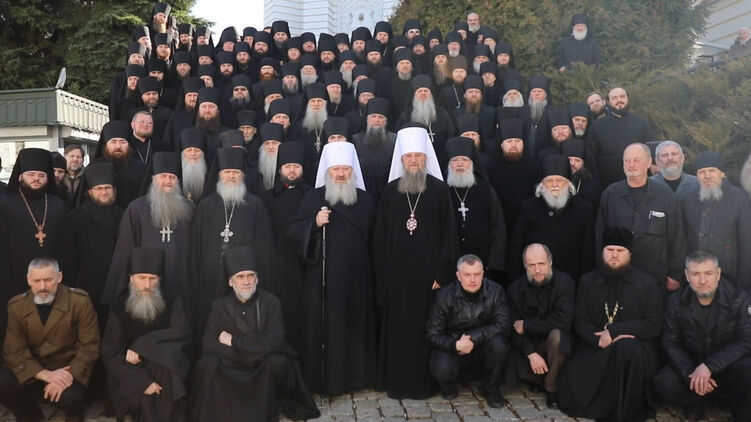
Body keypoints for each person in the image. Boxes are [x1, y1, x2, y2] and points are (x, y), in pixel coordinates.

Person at [374, 126, 459, 399]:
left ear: (426, 159)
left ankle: (425, 384)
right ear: (401, 159)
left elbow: (449, 235)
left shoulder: (440, 190)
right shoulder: (390, 191)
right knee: (399, 330)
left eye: (418, 156)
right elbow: (380, 237)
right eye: (409, 156)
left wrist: (442, 273)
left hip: (428, 279)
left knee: (425, 330)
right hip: (397, 277)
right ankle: (397, 384)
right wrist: (383, 276)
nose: (413, 161)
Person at [189, 246, 320, 422]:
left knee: (278, 361)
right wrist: (249, 352)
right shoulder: (219, 306)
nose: (246, 282)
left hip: (262, 365)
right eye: (240, 277)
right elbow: (209, 343)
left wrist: (234, 342)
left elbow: (275, 340)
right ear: (230, 281)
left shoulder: (271, 303)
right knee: (207, 363)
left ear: (257, 279)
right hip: (235, 364)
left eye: (251, 276)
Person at [289, 142, 377, 395]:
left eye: (345, 169)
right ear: (327, 172)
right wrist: (314, 223)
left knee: (354, 326)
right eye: (336, 169)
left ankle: (355, 378)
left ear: (353, 171)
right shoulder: (313, 197)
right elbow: (292, 231)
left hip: (357, 278)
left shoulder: (366, 200)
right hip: (322, 277)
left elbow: (376, 239)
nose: (340, 174)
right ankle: (324, 379)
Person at [558, 227, 663, 422]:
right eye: (610, 250)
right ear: (602, 252)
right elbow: (580, 321)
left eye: (620, 251)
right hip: (596, 348)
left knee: (627, 348)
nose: (614, 255)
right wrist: (599, 339)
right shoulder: (587, 281)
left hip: (636, 353)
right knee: (569, 380)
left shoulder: (646, 284)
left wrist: (615, 332)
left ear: (629, 254)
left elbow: (653, 324)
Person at [189, 147, 274, 346]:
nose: (232, 176)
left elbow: (264, 248)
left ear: (243, 175)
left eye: (236, 172)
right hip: (210, 279)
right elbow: (196, 247)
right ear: (219, 175)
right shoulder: (206, 206)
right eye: (227, 172)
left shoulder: (255, 205)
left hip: (243, 281)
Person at [0, 257, 100, 422]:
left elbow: (89, 346)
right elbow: (14, 350)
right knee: (3, 380)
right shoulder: (16, 305)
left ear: (59, 277)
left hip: (66, 369)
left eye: (48, 280)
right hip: (34, 370)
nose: (42, 287)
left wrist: (66, 376)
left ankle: (73, 417)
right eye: (36, 281)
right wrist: (44, 374)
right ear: (28, 280)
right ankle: (31, 415)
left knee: (71, 398)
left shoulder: (79, 301)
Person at [655, 250, 751, 421]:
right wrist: (691, 374)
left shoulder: (739, 298)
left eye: (708, 273)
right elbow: (670, 342)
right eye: (695, 274)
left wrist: (709, 366)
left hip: (728, 368)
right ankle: (698, 398)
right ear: (687, 275)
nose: (703, 280)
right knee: (664, 382)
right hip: (693, 368)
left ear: (718, 273)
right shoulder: (676, 301)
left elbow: (746, 340)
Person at [101, 247, 192, 422]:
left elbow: (181, 332)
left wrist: (142, 346)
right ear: (131, 278)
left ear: (160, 279)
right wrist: (142, 382)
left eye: (152, 278)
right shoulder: (118, 305)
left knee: (168, 359)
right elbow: (110, 353)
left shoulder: (172, 300)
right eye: (141, 278)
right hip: (130, 369)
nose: (147, 285)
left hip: (163, 365)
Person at [102, 152, 194, 307]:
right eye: (163, 176)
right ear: (154, 180)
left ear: (178, 181)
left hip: (181, 280)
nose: (167, 181)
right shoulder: (136, 209)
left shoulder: (190, 209)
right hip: (146, 283)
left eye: (172, 177)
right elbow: (125, 249)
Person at [596, 143, 685, 295]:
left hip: (655, 276)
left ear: (649, 162)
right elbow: (600, 234)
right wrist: (601, 268)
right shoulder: (611, 194)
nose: (631, 165)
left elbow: (677, 236)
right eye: (627, 160)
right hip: (618, 273)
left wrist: (675, 272)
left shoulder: (665, 196)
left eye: (636, 160)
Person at [0, 148, 67, 347]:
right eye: (31, 174)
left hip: (51, 283)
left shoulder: (58, 205)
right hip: (14, 281)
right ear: (21, 176)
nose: (36, 179)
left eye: (41, 175)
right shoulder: (5, 205)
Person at [426, 254, 510, 407]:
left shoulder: (496, 291)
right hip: (454, 348)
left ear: (483, 274)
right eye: (467, 275)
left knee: (499, 345)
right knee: (441, 364)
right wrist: (455, 345)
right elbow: (432, 334)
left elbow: (504, 325)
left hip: (483, 345)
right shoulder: (444, 296)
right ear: (458, 276)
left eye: (477, 274)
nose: (473, 279)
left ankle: (491, 389)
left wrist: (472, 337)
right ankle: (449, 387)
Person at [506, 244, 575, 409]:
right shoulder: (514, 289)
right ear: (525, 266)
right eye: (531, 265)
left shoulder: (564, 283)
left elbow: (563, 321)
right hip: (530, 347)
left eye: (541, 264)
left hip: (556, 346)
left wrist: (526, 324)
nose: (537, 270)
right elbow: (512, 328)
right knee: (508, 360)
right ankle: (539, 378)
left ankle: (551, 388)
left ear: (550, 262)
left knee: (558, 337)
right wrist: (531, 354)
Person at [259, 142, 310, 353]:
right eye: (288, 166)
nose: (292, 170)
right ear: (280, 169)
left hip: (305, 266)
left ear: (303, 169)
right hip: (276, 265)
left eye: (296, 166)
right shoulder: (267, 197)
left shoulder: (312, 196)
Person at [510, 155, 594, 280]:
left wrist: (585, 282)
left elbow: (588, 250)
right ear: (542, 184)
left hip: (572, 279)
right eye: (549, 181)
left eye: (559, 181)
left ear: (568, 183)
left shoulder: (583, 209)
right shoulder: (529, 207)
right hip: (534, 279)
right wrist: (516, 279)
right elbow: (516, 245)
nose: (555, 185)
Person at [679, 152, 751, 288]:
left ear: (722, 173)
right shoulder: (686, 198)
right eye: (702, 172)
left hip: (730, 276)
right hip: (696, 277)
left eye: (712, 170)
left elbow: (747, 244)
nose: (707, 176)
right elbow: (680, 238)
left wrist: (744, 283)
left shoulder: (740, 199)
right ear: (696, 176)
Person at [445, 137, 506, 280]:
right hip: (450, 265)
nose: (460, 164)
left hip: (482, 264)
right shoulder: (442, 191)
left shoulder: (486, 190)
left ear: (472, 164)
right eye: (455, 160)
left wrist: (493, 262)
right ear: (448, 164)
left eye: (465, 160)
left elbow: (498, 226)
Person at [486, 118, 539, 239]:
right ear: (501, 145)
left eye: (518, 141)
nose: (514, 145)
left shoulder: (534, 168)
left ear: (523, 143)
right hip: (500, 224)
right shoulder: (491, 169)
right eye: (509, 141)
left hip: (529, 226)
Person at [588, 87, 650, 187]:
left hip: (638, 177)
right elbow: (591, 154)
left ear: (628, 99)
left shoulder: (641, 122)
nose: (619, 100)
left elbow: (648, 147)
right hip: (607, 181)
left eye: (622, 96)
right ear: (608, 102)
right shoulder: (597, 125)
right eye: (614, 98)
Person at [351, 97, 396, 205]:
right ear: (367, 119)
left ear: (385, 121)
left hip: (387, 191)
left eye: (380, 117)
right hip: (362, 191)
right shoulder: (356, 140)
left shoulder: (394, 140)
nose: (376, 120)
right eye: (373, 116)